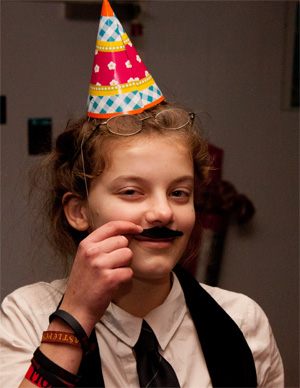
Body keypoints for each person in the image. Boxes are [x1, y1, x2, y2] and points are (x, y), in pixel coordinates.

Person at [0, 1, 284, 387]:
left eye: (180, 193)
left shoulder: (242, 322)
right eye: (133, 192)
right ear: (79, 211)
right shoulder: (29, 317)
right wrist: (76, 317)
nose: (163, 212)